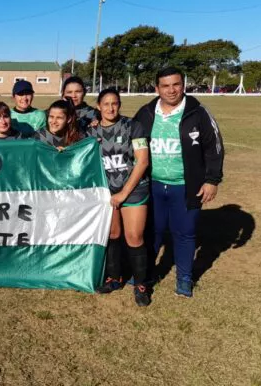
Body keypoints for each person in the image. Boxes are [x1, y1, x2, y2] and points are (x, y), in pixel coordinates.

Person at [133, 67, 224, 298]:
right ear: (157, 88)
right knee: (152, 231)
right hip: (152, 183)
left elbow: (214, 147)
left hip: (186, 185)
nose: (172, 90)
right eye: (166, 86)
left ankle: (184, 277)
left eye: (176, 84)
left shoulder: (198, 112)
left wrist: (212, 180)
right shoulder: (146, 112)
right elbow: (128, 137)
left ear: (183, 85)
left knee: (185, 232)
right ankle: (146, 272)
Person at [86, 88, 151, 306]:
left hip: (134, 189)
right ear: (98, 106)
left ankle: (141, 284)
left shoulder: (134, 126)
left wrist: (124, 193)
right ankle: (115, 277)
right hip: (107, 192)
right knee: (113, 235)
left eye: (115, 103)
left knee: (134, 236)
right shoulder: (90, 132)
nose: (111, 108)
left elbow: (142, 161)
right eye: (106, 104)